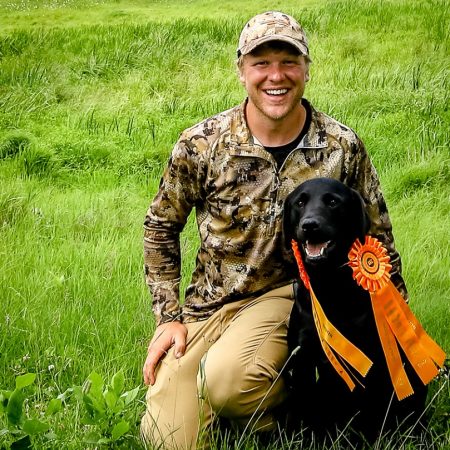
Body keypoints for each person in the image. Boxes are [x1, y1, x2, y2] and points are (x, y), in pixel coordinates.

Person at [140, 10, 407, 449]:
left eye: (289, 61)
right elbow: (160, 226)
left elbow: (377, 237)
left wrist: (400, 333)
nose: (276, 76)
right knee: (168, 437)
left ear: (306, 68)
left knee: (229, 383)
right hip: (209, 306)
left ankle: (301, 411)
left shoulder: (340, 145)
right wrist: (168, 317)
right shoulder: (202, 143)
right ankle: (248, 408)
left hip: (293, 297)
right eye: (261, 63)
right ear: (241, 70)